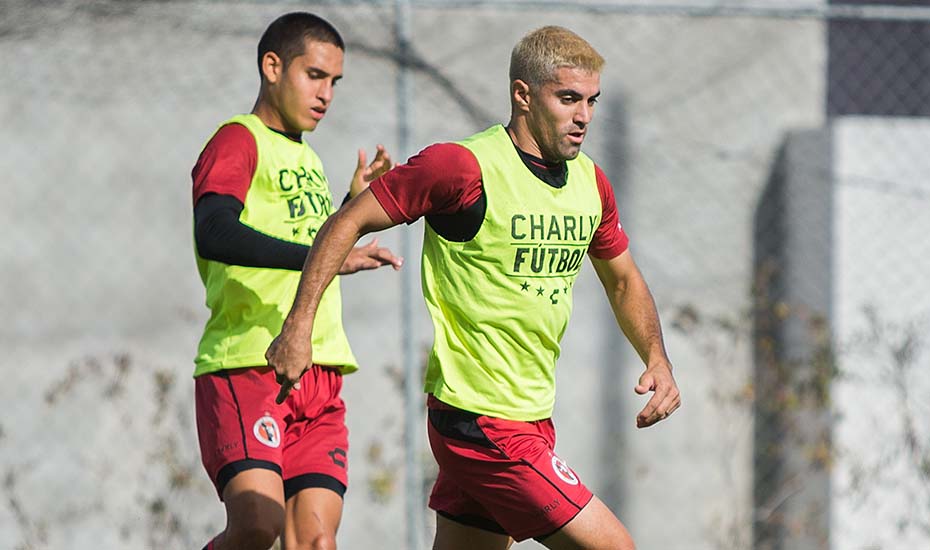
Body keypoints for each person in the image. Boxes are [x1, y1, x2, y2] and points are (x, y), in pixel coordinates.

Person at [266, 25, 680, 549]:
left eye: (592, 101)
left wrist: (657, 357)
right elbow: (347, 222)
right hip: (481, 420)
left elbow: (622, 280)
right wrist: (298, 326)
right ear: (522, 96)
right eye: (569, 98)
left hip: (529, 417)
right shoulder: (461, 167)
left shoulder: (589, 183)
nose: (584, 117)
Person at [190, 12, 401, 550]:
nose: (327, 93)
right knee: (256, 530)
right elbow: (215, 231)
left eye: (335, 82)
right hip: (250, 364)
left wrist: (349, 207)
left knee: (315, 542)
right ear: (272, 67)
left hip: (321, 372)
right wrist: (321, 255)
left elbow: (303, 247)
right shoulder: (239, 139)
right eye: (315, 75)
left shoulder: (305, 156)